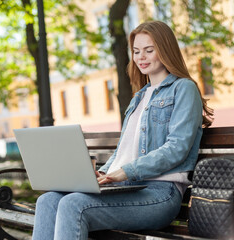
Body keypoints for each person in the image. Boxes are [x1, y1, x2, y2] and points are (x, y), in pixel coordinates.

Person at [32, 20, 214, 240]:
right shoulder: (139, 97)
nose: (141, 57)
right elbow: (123, 151)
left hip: (159, 193)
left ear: (165, 50)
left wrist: (126, 171)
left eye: (149, 50)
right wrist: (104, 174)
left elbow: (177, 148)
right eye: (136, 51)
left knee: (73, 205)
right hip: (126, 188)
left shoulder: (184, 88)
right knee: (48, 200)